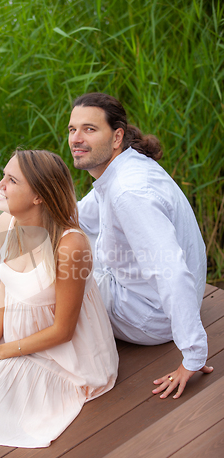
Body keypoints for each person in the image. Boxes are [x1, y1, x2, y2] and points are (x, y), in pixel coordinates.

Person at [0, 149, 119, 448]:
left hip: (67, 360)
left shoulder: (70, 246)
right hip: (18, 339)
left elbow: (63, 331)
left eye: (11, 180)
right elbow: (4, 290)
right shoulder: (7, 223)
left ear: (38, 196)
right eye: (4, 176)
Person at [68, 92, 213, 400]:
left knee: (59, 268)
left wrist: (193, 355)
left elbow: (170, 272)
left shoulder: (128, 192)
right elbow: (83, 217)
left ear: (117, 136)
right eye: (72, 129)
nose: (76, 139)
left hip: (149, 317)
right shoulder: (124, 168)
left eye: (89, 129)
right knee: (67, 238)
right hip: (148, 296)